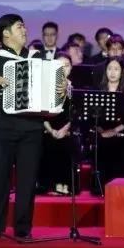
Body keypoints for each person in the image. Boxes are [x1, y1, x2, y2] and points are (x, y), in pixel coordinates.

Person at [0, 14, 67, 239]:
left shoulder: (36, 56)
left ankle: (23, 228)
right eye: (19, 26)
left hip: (32, 127)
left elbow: (52, 83)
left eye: (24, 26)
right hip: (2, 125)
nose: (25, 30)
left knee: (27, 181)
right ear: (6, 33)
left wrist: (61, 88)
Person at [94, 57, 124, 189]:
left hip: (122, 131)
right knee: (100, 144)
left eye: (116, 69)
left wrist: (114, 131)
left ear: (122, 72)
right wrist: (101, 131)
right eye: (109, 69)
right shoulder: (97, 90)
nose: (112, 72)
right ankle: (101, 186)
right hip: (101, 131)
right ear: (105, 71)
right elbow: (91, 116)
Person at [39, 52, 75, 195]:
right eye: (59, 65)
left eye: (66, 65)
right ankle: (51, 184)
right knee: (48, 142)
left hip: (68, 130)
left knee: (66, 143)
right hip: (48, 129)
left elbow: (75, 115)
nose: (63, 68)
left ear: (71, 68)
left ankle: (65, 183)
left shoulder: (74, 89)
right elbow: (42, 115)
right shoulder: (46, 88)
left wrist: (65, 129)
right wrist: (51, 130)